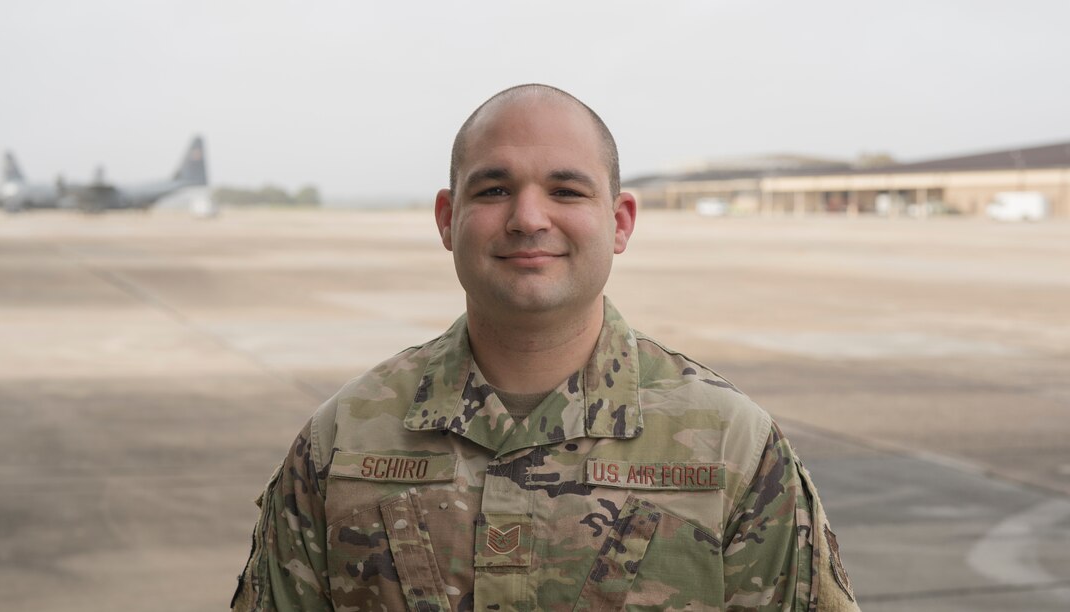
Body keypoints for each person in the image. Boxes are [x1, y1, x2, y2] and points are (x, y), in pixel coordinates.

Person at [231, 84, 859, 612]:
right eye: (494, 190)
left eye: (566, 191)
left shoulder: (733, 447)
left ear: (619, 222)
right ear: (448, 219)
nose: (529, 218)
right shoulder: (342, 441)